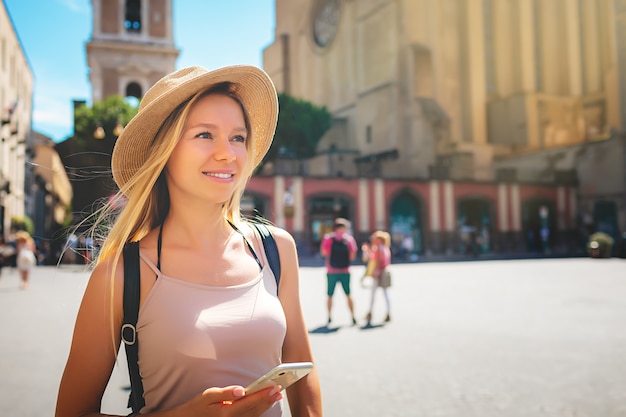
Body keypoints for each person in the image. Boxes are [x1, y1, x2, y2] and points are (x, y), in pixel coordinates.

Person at [55, 65, 322, 417]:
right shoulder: (120, 275)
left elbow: (304, 380)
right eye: (204, 135)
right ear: (163, 152)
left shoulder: (276, 249)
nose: (228, 153)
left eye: (238, 137)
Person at [320, 217, 357, 325]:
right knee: (348, 294)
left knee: (330, 295)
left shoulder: (328, 238)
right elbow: (352, 255)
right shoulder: (349, 239)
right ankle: (353, 316)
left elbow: (323, 253)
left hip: (331, 271)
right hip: (345, 271)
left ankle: (329, 316)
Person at [361, 230, 392, 326]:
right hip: (385, 272)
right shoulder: (385, 248)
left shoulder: (378, 248)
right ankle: (388, 312)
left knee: (373, 294)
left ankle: (370, 312)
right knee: (385, 293)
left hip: (379, 272)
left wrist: (376, 271)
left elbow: (377, 260)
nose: (372, 240)